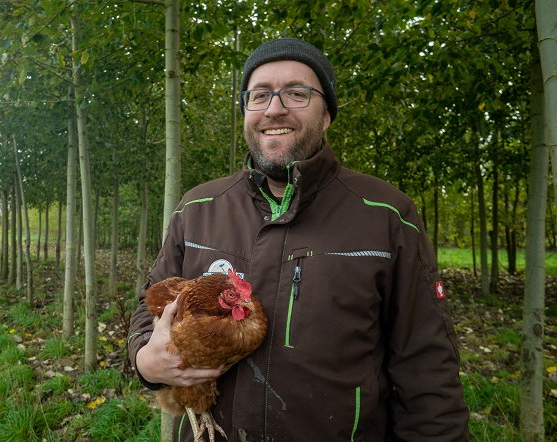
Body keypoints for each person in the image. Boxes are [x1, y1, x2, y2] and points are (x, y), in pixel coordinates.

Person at [128, 38, 470, 441]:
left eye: (296, 93)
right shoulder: (198, 206)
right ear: (245, 113)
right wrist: (146, 360)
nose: (275, 108)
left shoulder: (386, 215)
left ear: (326, 115)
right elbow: (148, 306)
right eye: (259, 95)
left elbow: (427, 369)